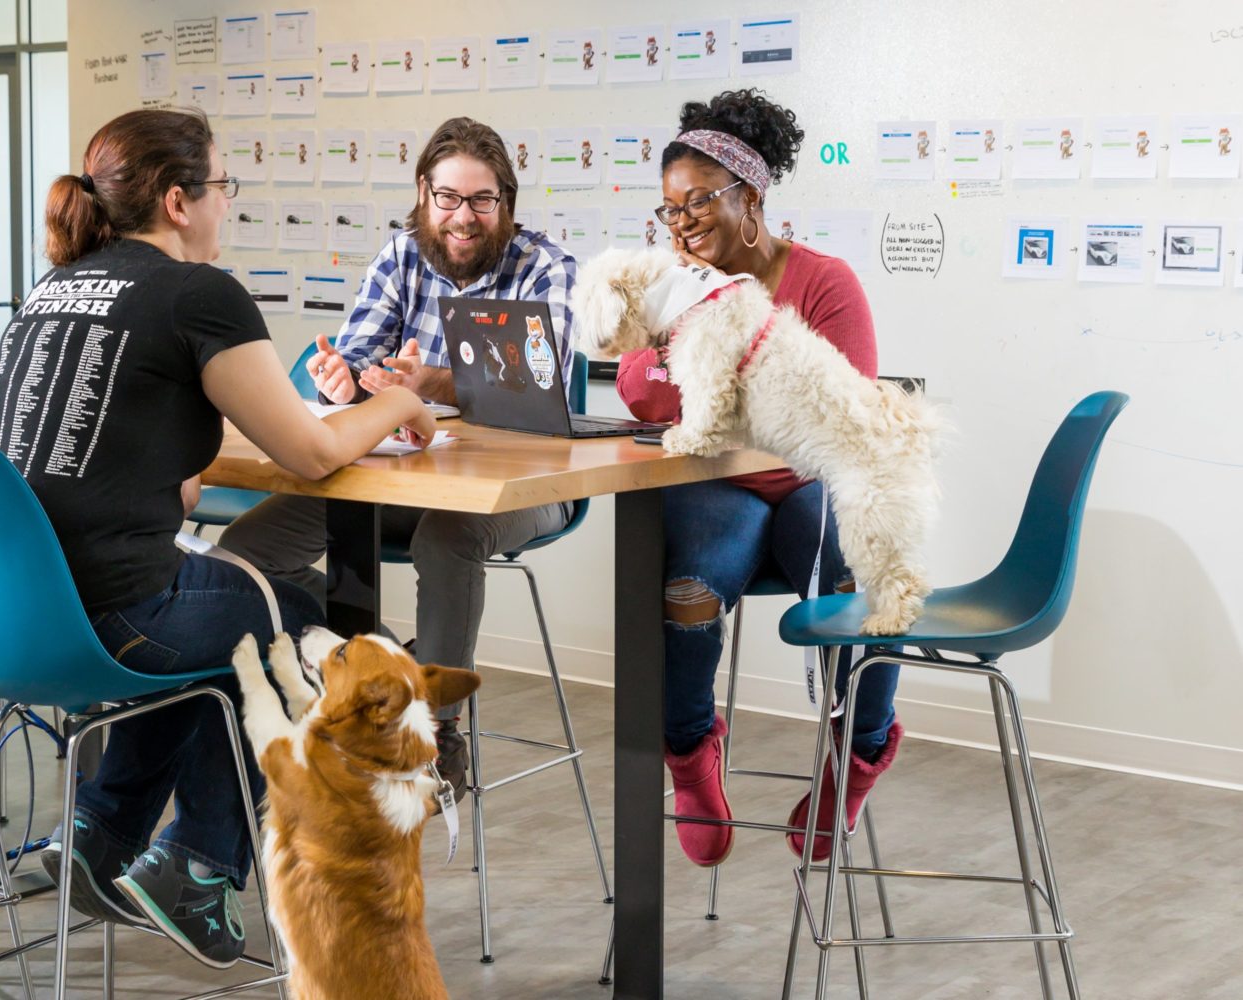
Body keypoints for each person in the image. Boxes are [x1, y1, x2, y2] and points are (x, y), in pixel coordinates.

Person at [0, 108, 434, 968]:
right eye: (224, 186)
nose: (229, 205)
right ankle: (194, 863)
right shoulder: (197, 293)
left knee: (227, 619)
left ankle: (102, 833)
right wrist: (407, 404)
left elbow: (150, 474)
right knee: (293, 629)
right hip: (109, 611)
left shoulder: (57, 288)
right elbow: (312, 450)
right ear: (179, 201)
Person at [218, 117, 578, 801]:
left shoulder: (547, 267)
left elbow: (533, 385)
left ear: (507, 202)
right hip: (392, 477)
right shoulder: (401, 254)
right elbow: (359, 362)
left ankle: (438, 733)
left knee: (450, 534)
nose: (463, 218)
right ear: (423, 193)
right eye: (448, 199)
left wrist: (429, 381)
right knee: (246, 551)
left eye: (482, 201)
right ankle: (395, 671)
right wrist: (342, 381)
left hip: (523, 488)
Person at [616, 89, 903, 868]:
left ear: (752, 196)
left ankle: (860, 756)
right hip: (724, 489)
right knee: (687, 587)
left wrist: (722, 396)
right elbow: (639, 388)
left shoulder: (824, 281)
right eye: (670, 209)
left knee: (865, 565)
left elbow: (843, 411)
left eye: (699, 202)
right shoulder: (682, 285)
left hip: (812, 483)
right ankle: (689, 756)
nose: (683, 224)